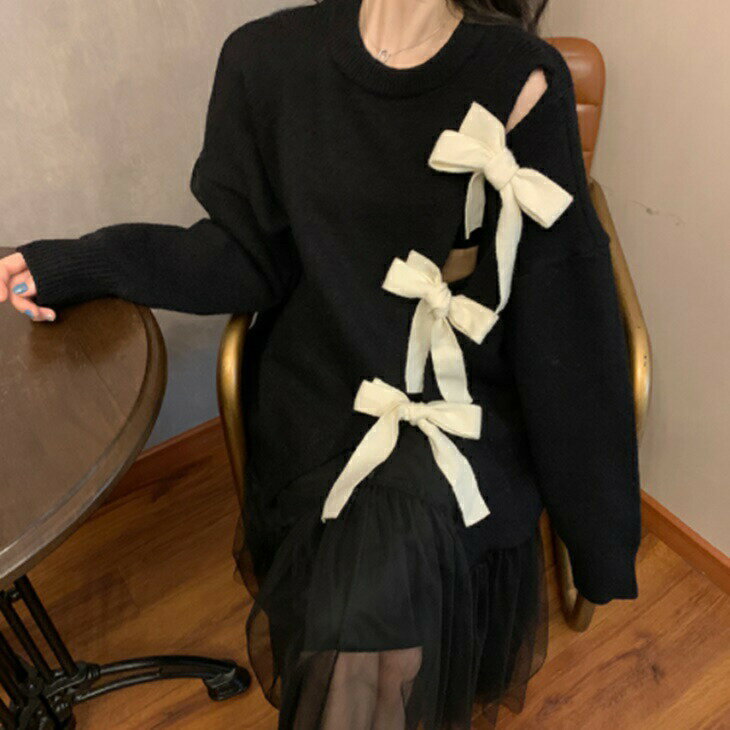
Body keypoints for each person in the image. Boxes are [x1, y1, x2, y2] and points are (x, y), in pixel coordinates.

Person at [0, 0, 642, 727]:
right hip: (321, 393)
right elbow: (241, 254)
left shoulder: (522, 79)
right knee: (365, 603)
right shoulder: (265, 59)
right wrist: (83, 262)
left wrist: (599, 536)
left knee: (386, 574)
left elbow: (567, 315)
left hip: (456, 403)